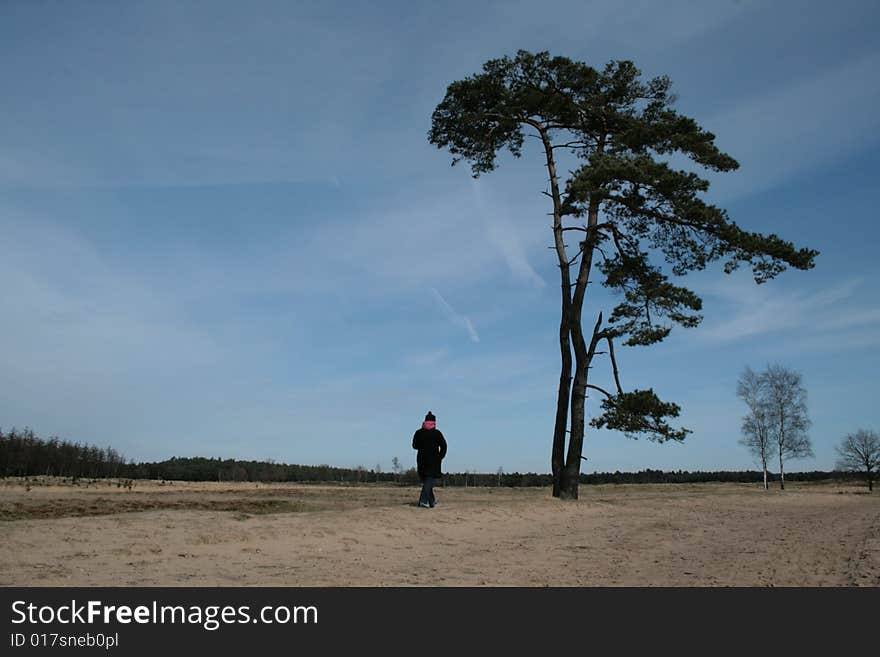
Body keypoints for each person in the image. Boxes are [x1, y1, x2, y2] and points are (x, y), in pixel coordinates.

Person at [412, 411, 447, 508]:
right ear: (434, 423)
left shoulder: (419, 432)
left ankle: (432, 502)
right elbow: (444, 446)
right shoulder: (437, 433)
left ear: (425, 421)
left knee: (427, 481)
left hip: (421, 460)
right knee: (429, 481)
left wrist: (422, 445)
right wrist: (440, 457)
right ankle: (423, 501)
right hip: (434, 461)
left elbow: (414, 446)